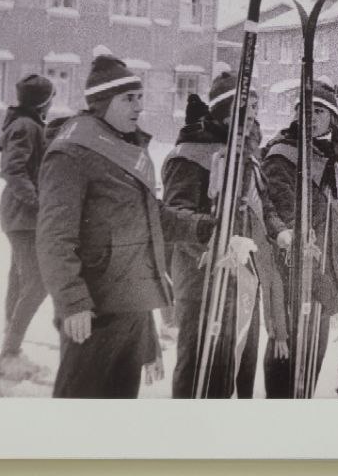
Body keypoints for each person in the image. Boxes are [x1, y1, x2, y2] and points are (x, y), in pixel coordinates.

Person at [35, 47, 213, 398]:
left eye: (140, 97)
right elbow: (54, 237)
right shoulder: (71, 153)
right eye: (129, 98)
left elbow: (153, 215)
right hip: (94, 313)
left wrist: (199, 227)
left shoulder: (128, 151)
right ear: (103, 103)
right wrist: (73, 302)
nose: (139, 106)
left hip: (132, 306)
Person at [161, 80, 267, 398]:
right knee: (199, 367)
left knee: (237, 365)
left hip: (245, 277)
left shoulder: (247, 153)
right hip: (202, 279)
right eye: (244, 107)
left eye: (256, 108)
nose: (253, 115)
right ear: (223, 112)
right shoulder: (191, 155)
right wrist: (214, 243)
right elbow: (175, 217)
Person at [260, 80, 338, 398]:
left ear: (331, 119)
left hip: (327, 267)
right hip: (294, 268)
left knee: (314, 353)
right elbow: (281, 205)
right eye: (305, 109)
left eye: (320, 111)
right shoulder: (282, 155)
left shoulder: (330, 156)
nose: (311, 116)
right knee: (288, 348)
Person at [0, 73, 54, 381]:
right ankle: (10, 351)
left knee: (19, 281)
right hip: (23, 217)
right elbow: (12, 169)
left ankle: (9, 348)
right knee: (38, 281)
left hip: (20, 216)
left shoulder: (26, 124)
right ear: (44, 101)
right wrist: (38, 202)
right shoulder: (26, 126)